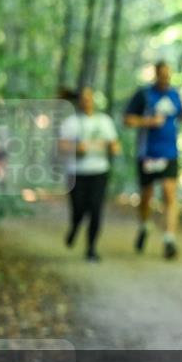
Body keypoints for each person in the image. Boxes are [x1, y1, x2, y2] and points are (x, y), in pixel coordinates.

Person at [124, 60, 182, 260]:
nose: (165, 79)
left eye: (168, 75)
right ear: (156, 75)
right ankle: (144, 225)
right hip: (147, 153)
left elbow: (181, 115)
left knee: (170, 193)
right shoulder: (144, 95)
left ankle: (169, 239)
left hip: (170, 153)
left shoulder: (175, 95)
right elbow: (127, 119)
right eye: (162, 75)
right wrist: (148, 122)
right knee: (147, 195)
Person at [59, 85, 120, 262]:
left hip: (99, 171)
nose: (86, 101)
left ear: (93, 99)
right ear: (79, 101)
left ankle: (91, 248)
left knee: (95, 209)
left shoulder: (104, 121)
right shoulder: (71, 122)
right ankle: (75, 227)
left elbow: (114, 145)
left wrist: (112, 148)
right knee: (79, 208)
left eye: (89, 98)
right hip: (76, 173)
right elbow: (61, 146)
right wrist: (77, 148)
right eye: (83, 98)